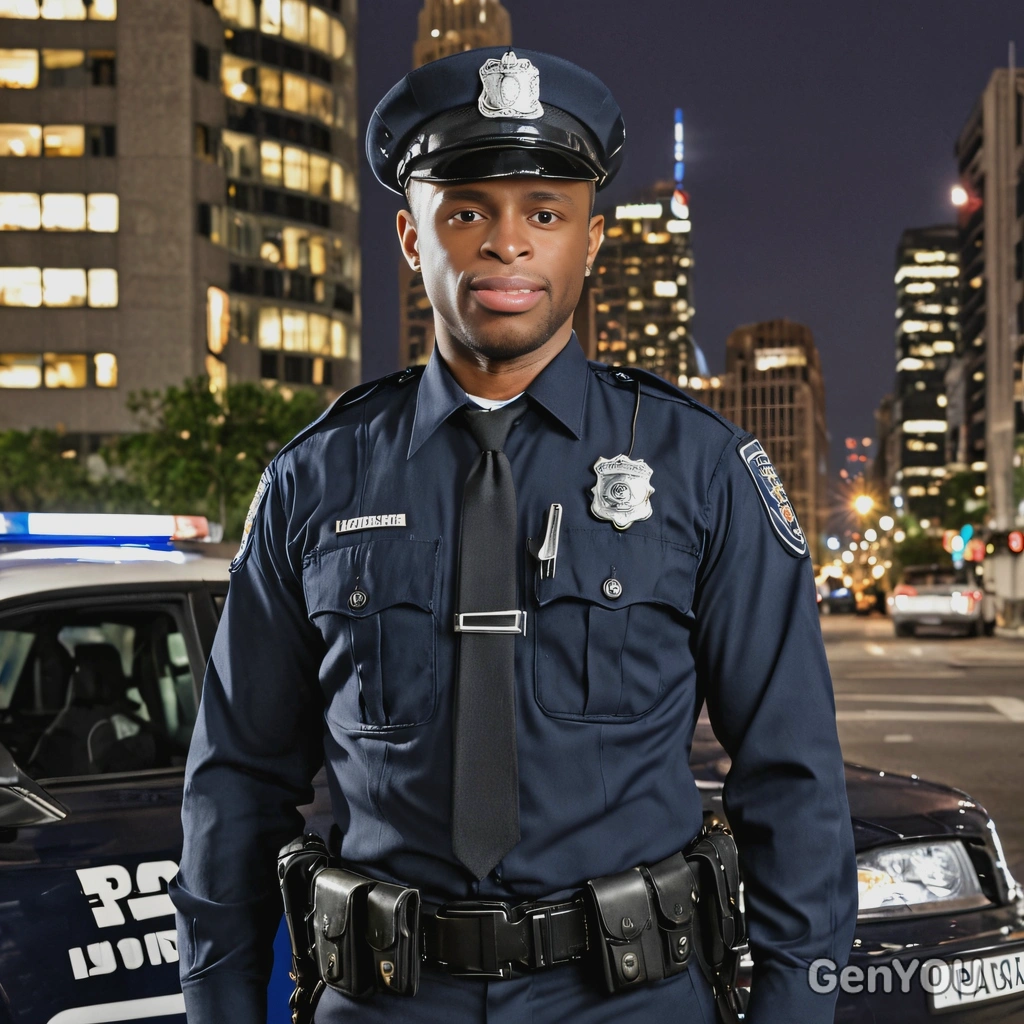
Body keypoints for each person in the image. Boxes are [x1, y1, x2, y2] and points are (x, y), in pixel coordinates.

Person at [171, 46, 858, 1023]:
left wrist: (797, 1008)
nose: (506, 244)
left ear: (591, 243)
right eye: (466, 210)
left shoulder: (703, 471)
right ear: (412, 240)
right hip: (385, 1000)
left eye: (544, 211)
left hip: (632, 998)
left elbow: (793, 780)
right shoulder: (313, 480)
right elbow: (235, 783)